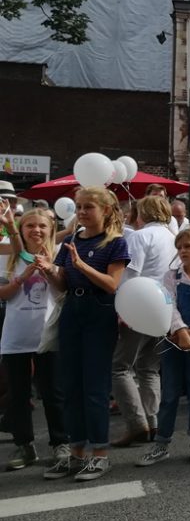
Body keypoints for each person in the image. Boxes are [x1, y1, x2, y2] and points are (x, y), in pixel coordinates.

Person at [35, 187, 130, 482]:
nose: (81, 212)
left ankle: (99, 454)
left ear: (106, 211)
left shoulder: (115, 243)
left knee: (94, 387)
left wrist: (80, 265)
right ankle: (76, 453)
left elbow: (112, 285)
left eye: (88, 207)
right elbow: (63, 284)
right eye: (79, 207)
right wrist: (50, 270)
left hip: (99, 312)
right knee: (70, 385)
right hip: (72, 311)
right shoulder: (72, 240)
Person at [137, 228, 190, 466]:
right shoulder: (171, 276)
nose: (183, 251)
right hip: (173, 341)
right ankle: (162, 443)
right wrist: (180, 330)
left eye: (188, 246)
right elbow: (169, 305)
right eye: (179, 247)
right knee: (170, 394)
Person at [0, 207, 69, 472]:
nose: (36, 230)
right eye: (30, 226)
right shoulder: (9, 255)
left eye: (42, 226)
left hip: (48, 335)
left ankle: (60, 443)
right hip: (16, 336)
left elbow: (63, 289)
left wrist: (50, 270)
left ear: (51, 229)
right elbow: (4, 295)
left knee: (53, 392)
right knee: (18, 396)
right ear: (21, 229)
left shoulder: (61, 254)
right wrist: (22, 278)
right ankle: (24, 445)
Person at [110, 195, 178, 447]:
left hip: (141, 304)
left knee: (120, 366)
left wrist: (122, 310)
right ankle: (153, 421)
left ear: (142, 214)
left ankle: (137, 423)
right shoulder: (172, 238)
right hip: (165, 306)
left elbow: (131, 274)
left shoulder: (140, 237)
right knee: (149, 367)